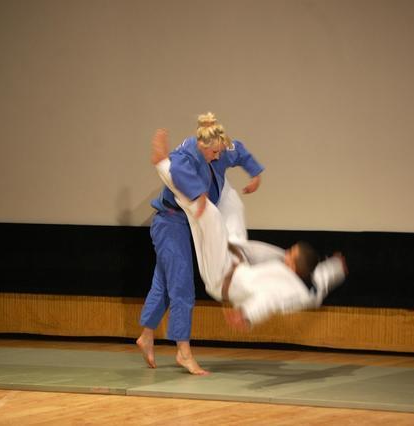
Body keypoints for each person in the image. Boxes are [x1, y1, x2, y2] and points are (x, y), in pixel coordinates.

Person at [151, 129, 347, 329]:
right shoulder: (304, 272)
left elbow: (266, 301)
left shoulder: (289, 288)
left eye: (291, 255)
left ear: (294, 269)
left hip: (220, 276)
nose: (286, 254)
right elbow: (322, 275)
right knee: (233, 203)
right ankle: (202, 177)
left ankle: (163, 165)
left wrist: (246, 315)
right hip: (235, 254)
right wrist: (337, 267)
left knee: (208, 214)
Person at [137, 113, 264, 375]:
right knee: (181, 285)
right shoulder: (186, 155)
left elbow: (238, 151)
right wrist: (199, 194)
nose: (217, 157)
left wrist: (255, 174)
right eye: (213, 153)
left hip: (190, 223)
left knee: (164, 282)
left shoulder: (219, 148)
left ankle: (146, 336)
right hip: (170, 222)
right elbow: (179, 173)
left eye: (219, 152)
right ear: (201, 145)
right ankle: (183, 352)